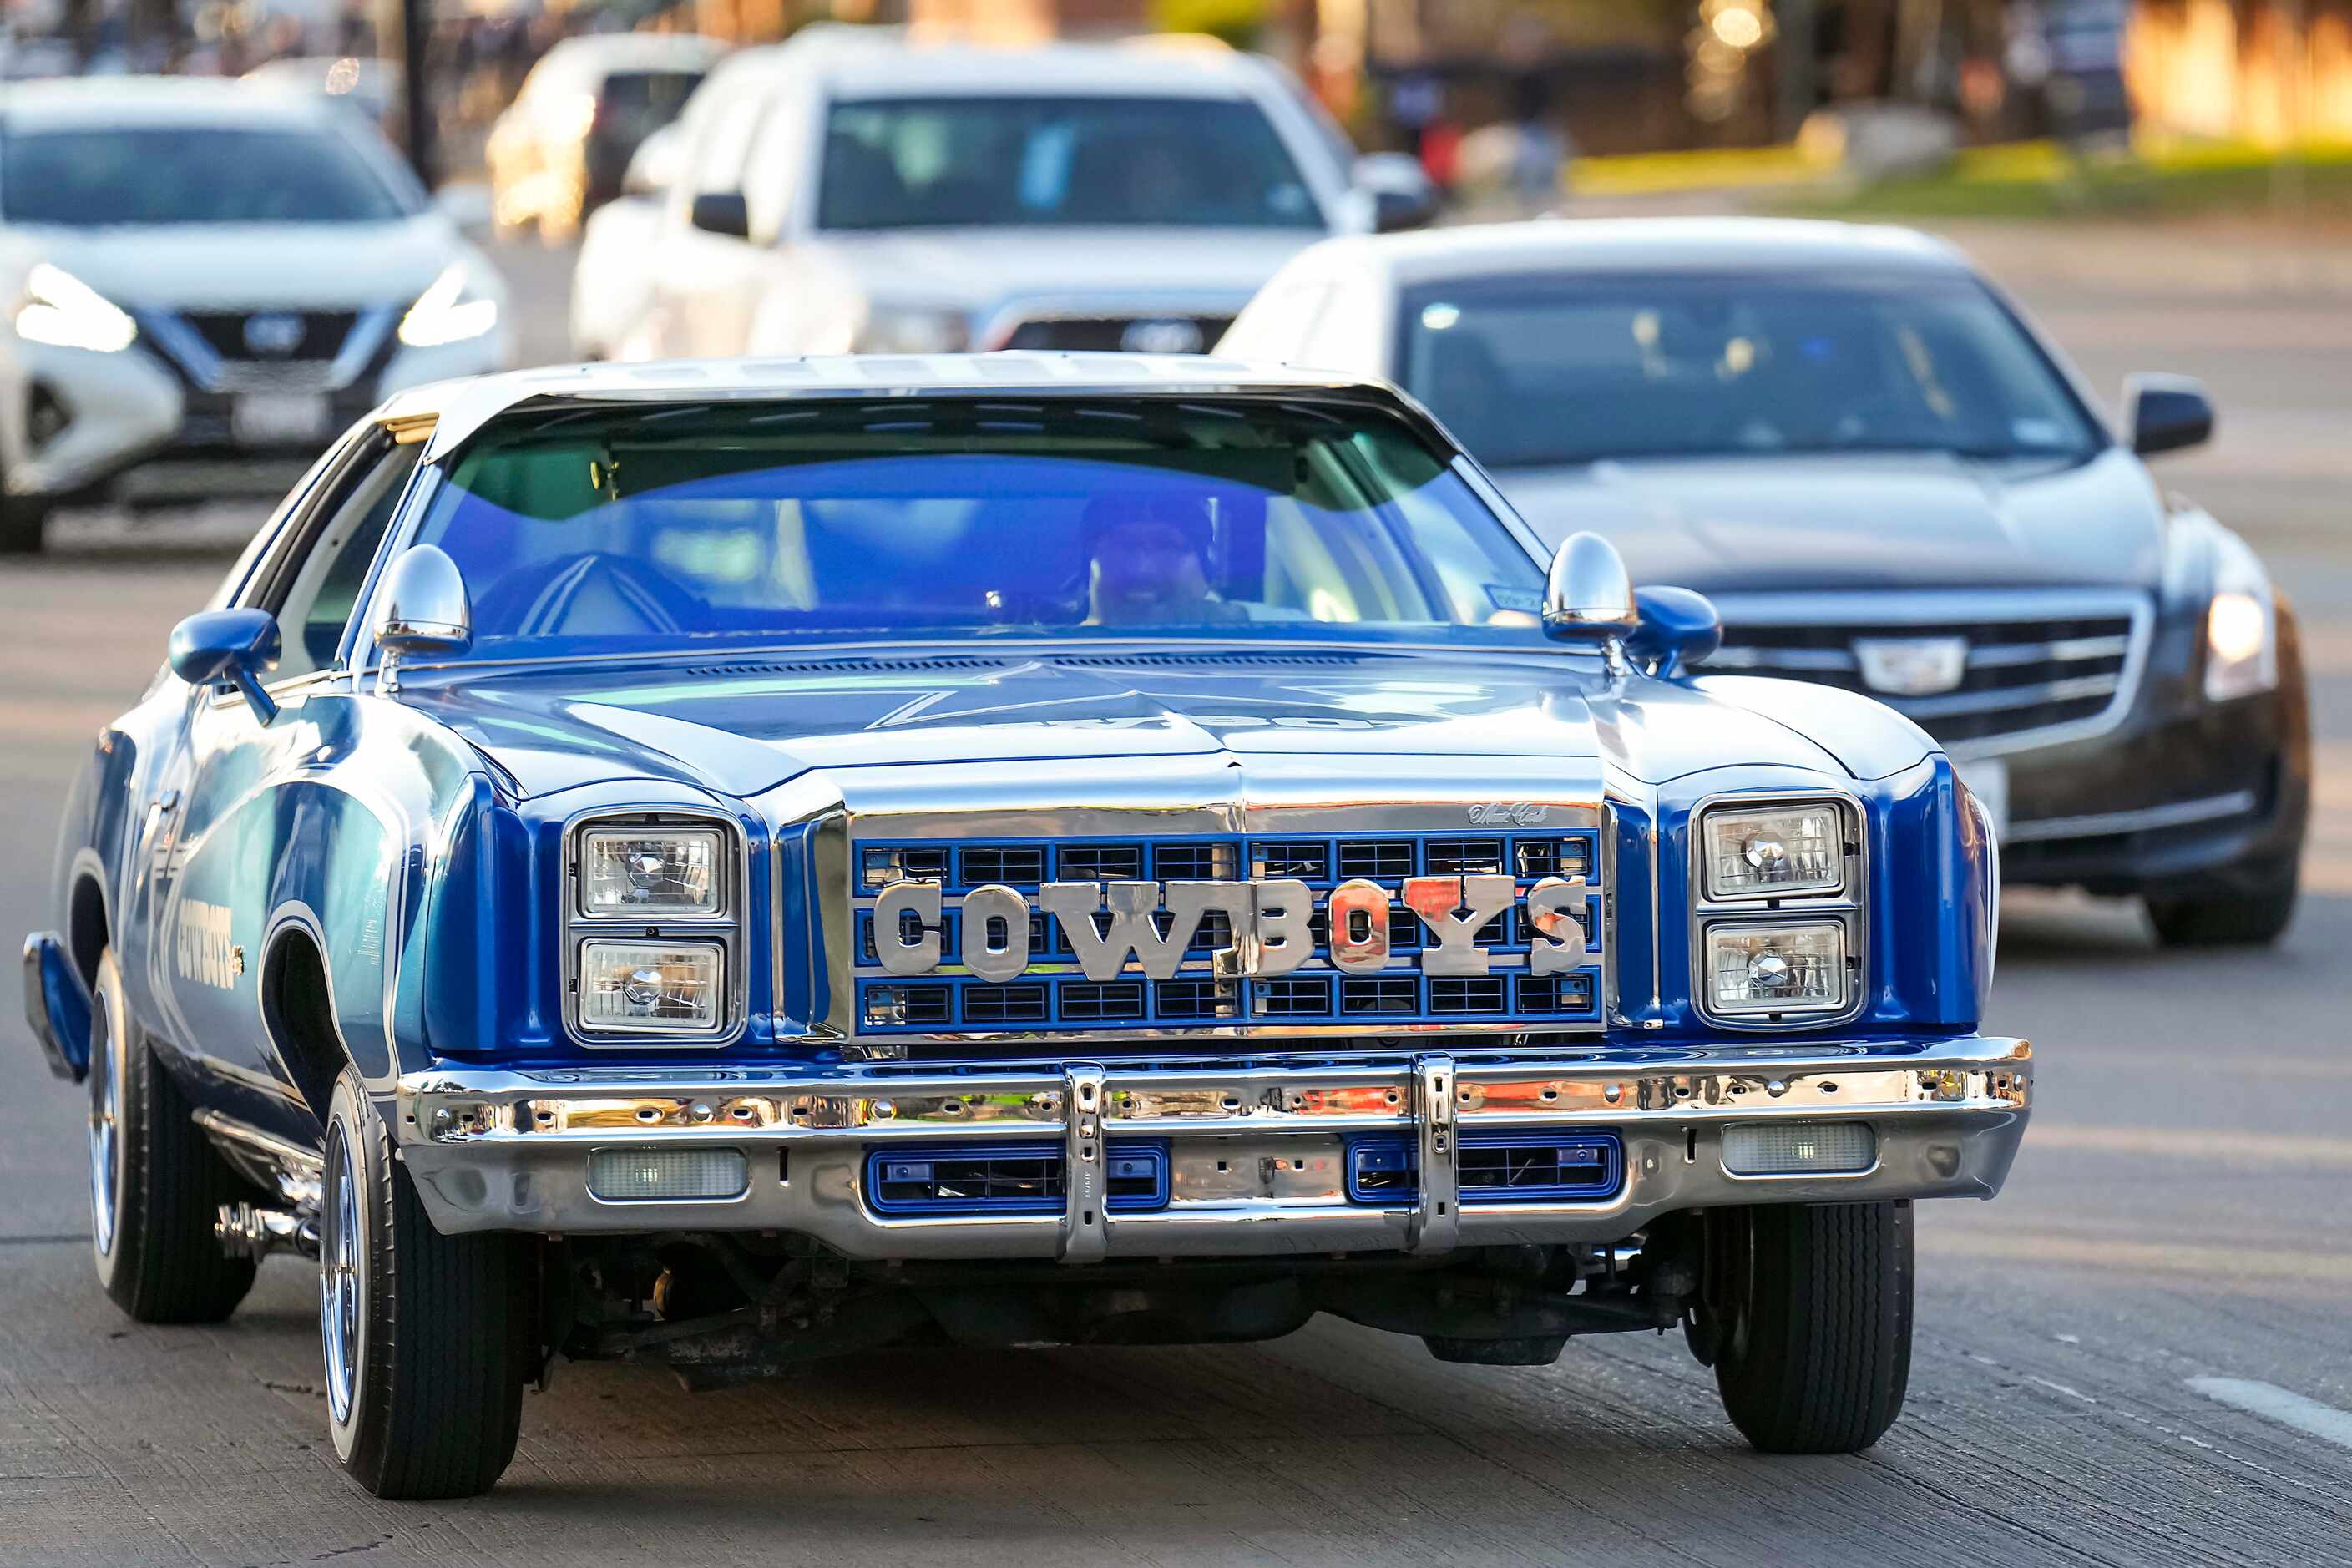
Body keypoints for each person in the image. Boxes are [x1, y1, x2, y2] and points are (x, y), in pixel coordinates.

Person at [1080, 493, 1243, 626]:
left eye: (1166, 546)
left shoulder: (1259, 631)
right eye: (1120, 546)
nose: (1142, 569)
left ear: (1205, 570)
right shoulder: (1057, 638)